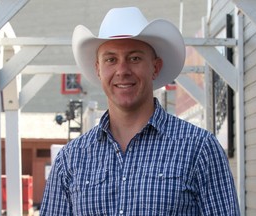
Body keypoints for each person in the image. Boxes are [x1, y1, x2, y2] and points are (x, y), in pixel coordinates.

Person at [40, 7, 240, 215]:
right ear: (98, 68)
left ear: (155, 67)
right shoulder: (71, 159)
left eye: (134, 58)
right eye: (111, 59)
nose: (122, 70)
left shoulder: (200, 149)